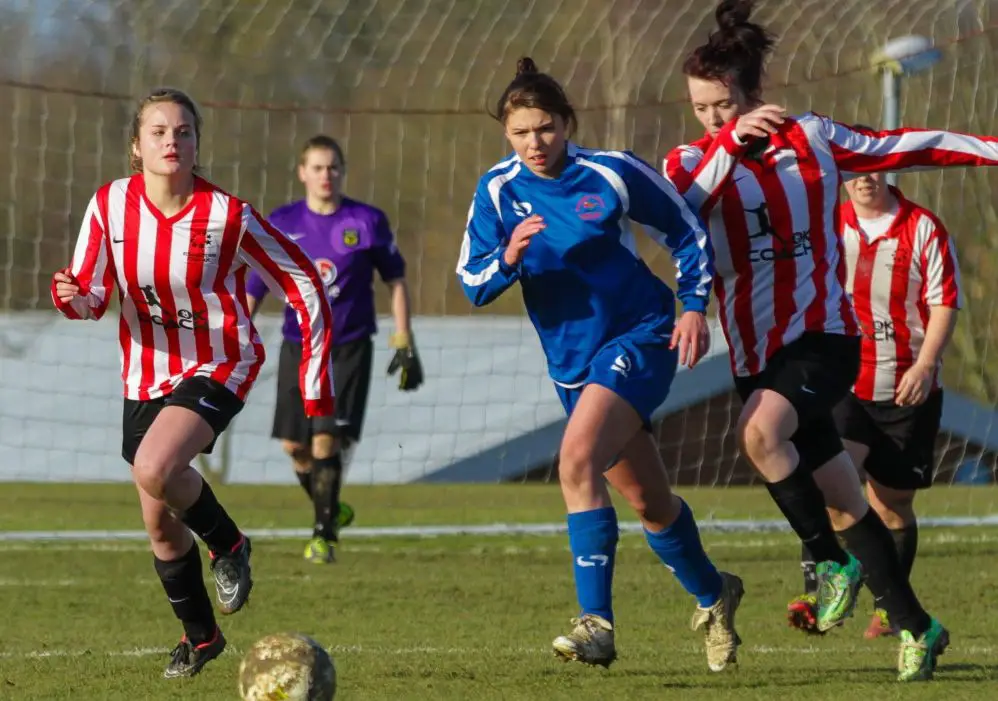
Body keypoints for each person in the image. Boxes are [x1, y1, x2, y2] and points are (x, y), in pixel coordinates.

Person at [666, 0, 998, 681]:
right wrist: (726, 143)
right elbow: (676, 206)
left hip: (823, 338)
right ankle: (919, 627)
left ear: (751, 93)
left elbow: (908, 145)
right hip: (756, 353)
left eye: (722, 106)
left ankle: (828, 560)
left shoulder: (811, 138)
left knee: (759, 436)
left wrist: (992, 149)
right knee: (848, 501)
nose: (710, 119)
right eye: (700, 108)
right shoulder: (694, 159)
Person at [457, 56, 743, 673]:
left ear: (566, 122)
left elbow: (688, 230)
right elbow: (472, 282)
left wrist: (694, 306)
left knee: (575, 458)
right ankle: (716, 594)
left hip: (640, 335)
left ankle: (597, 625)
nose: (535, 143)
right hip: (572, 366)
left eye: (546, 128)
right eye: (521, 132)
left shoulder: (609, 172)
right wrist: (507, 257)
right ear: (506, 135)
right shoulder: (497, 191)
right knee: (650, 502)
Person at [50, 88, 335, 679]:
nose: (171, 142)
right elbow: (92, 293)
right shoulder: (108, 206)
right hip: (144, 373)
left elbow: (302, 281)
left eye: (183, 132)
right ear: (136, 146)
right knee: (158, 520)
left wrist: (315, 383)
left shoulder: (228, 216)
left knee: (155, 467)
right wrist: (72, 297)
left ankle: (230, 545)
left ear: (198, 144)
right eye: (158, 132)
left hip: (220, 361)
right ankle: (202, 638)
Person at [788, 168, 960, 640]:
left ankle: (891, 604)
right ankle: (818, 594)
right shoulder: (825, 226)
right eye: (855, 171)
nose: (866, 179)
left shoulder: (924, 227)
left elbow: (944, 302)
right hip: (845, 381)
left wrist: (925, 366)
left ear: (893, 170)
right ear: (841, 178)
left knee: (891, 503)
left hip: (908, 385)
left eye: (876, 168)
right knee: (829, 483)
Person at [246, 135, 422, 564]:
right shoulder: (282, 222)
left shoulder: (366, 221)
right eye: (318, 168)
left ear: (343, 171)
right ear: (303, 173)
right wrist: (238, 338)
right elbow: (255, 286)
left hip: (347, 347)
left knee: (327, 439)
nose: (327, 175)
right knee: (295, 446)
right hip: (298, 344)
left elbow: (395, 280)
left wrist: (403, 337)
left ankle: (323, 536)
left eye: (334, 167)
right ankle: (332, 509)